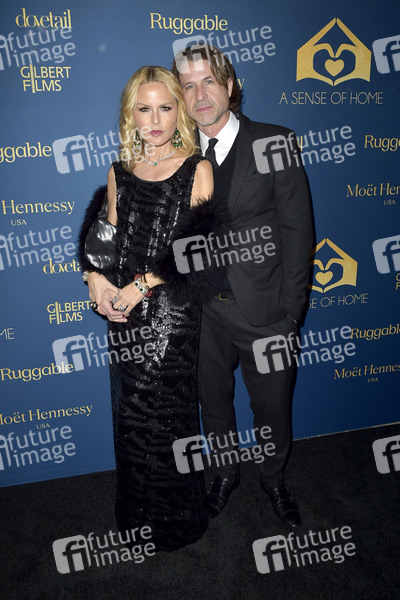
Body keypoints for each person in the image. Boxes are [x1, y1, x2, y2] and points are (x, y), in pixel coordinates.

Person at [78, 66, 227, 551]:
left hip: (171, 315)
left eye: (165, 107)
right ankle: (135, 518)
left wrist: (140, 285)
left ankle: (175, 523)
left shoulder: (196, 169)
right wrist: (96, 280)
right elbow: (104, 242)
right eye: (144, 109)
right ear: (131, 115)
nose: (155, 120)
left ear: (179, 110)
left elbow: (198, 252)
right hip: (123, 311)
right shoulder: (119, 172)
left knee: (165, 417)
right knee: (128, 414)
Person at [172, 45, 313, 529]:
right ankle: (224, 474)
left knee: (272, 408)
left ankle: (274, 480)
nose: (199, 95)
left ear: (229, 86)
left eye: (209, 82)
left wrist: (291, 312)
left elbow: (298, 231)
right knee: (213, 405)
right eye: (188, 86)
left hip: (266, 312)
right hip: (203, 313)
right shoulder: (179, 154)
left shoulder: (274, 142)